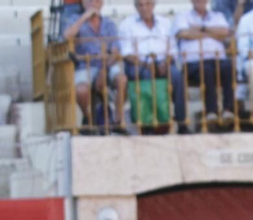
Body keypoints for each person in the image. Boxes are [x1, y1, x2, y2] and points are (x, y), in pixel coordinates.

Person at [172, 0, 234, 132]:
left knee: (228, 66)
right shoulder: (182, 16)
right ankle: (211, 112)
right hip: (193, 62)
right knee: (206, 69)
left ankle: (228, 110)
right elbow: (183, 34)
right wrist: (213, 33)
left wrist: (201, 29)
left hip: (217, 59)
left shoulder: (218, 16)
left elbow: (225, 32)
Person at [64, 0, 125, 130]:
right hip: (85, 66)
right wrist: (85, 17)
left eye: (97, 0)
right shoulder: (75, 19)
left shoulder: (109, 23)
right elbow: (67, 36)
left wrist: (104, 69)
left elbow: (115, 50)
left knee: (122, 79)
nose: (93, 3)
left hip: (107, 64)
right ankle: (88, 118)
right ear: (83, 3)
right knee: (81, 91)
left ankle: (118, 120)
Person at [121, 0, 172, 130]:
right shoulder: (127, 24)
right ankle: (148, 123)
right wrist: (146, 64)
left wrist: (165, 63)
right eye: (140, 5)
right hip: (139, 64)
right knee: (144, 75)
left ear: (153, 5)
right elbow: (126, 53)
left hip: (162, 62)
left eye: (148, 4)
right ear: (135, 6)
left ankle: (178, 121)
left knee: (177, 76)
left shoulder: (165, 23)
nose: (144, 8)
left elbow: (173, 49)